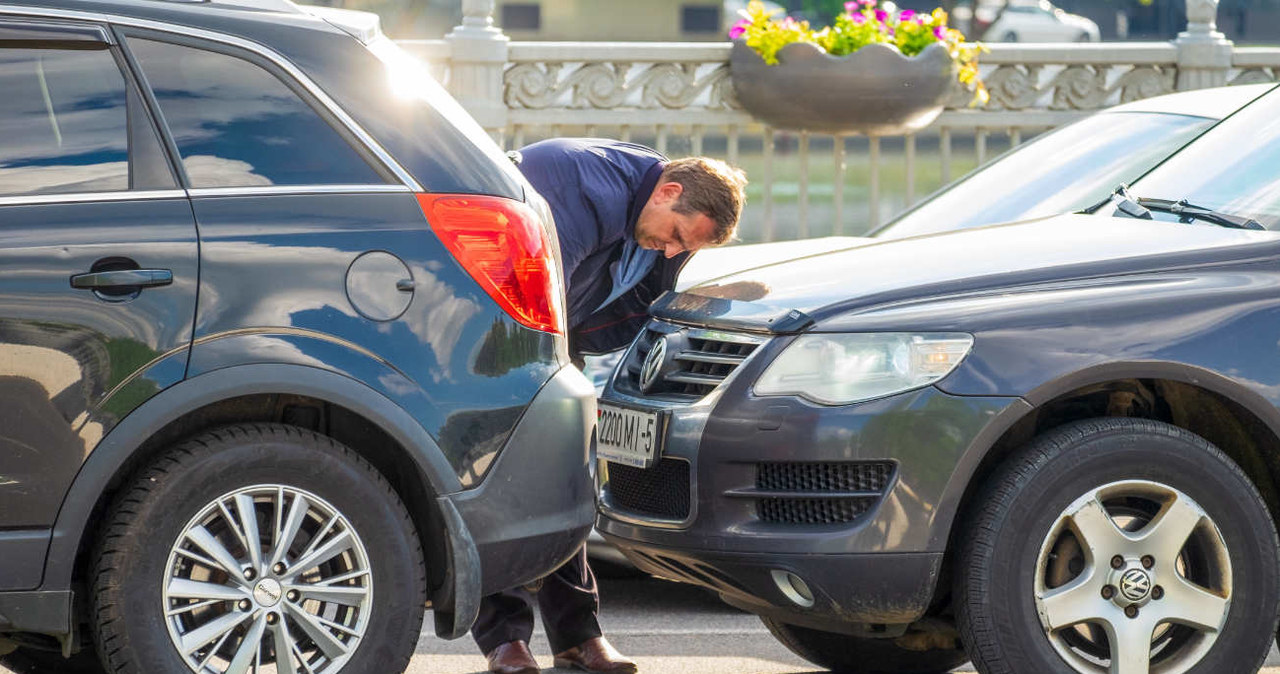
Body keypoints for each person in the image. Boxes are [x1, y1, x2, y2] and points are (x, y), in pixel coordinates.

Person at [473, 138, 748, 674]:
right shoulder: (581, 184)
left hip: (549, 336)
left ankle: (578, 637)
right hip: (498, 334)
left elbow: (648, 300)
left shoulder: (659, 208)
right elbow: (532, 283)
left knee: (566, 482)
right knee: (499, 481)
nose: (670, 250)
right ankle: (504, 641)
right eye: (675, 236)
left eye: (683, 246)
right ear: (668, 192)